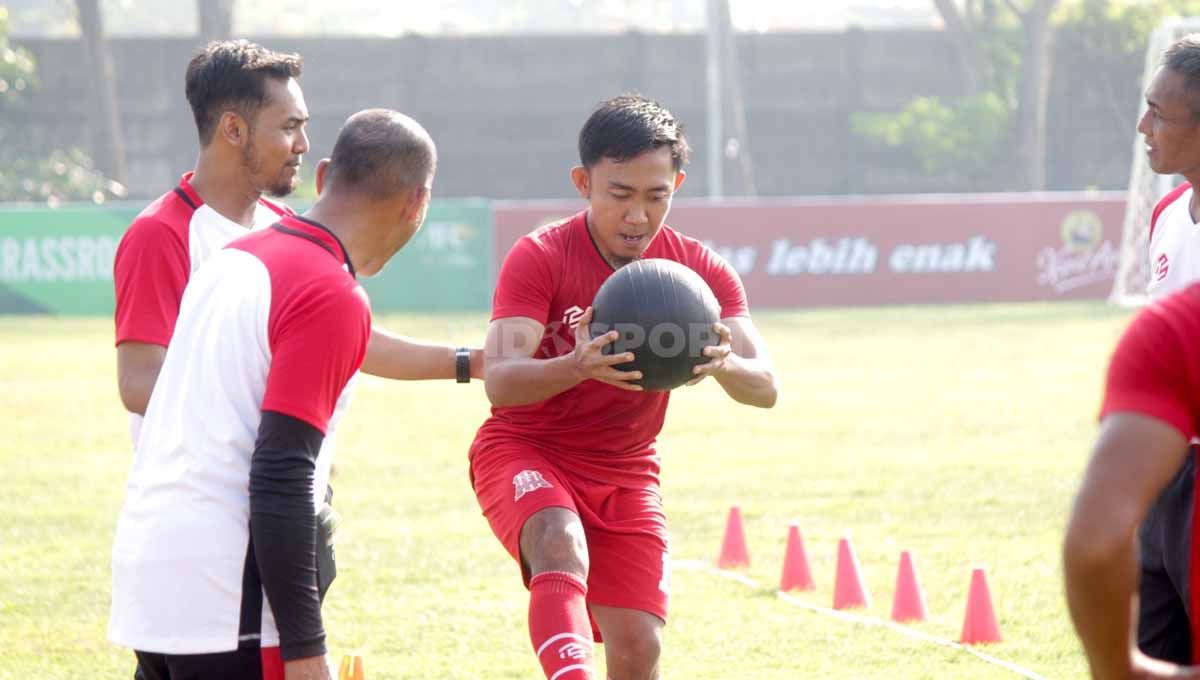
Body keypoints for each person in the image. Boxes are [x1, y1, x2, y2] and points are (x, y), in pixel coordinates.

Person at [109, 108, 437, 680]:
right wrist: (306, 647)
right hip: (230, 594)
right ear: (417, 204)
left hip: (152, 575)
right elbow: (281, 471)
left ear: (325, 173)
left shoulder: (234, 258)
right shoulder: (329, 291)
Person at [469, 95, 778, 680]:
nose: (638, 216)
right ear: (583, 182)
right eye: (620, 195)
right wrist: (575, 366)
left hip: (628, 468)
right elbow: (502, 383)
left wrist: (723, 363)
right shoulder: (539, 256)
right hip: (527, 449)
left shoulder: (698, 274)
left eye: (656, 196)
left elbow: (766, 386)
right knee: (558, 541)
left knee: (638, 645)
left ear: (677, 185)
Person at [114, 39, 480, 445]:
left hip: (277, 490)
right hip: (198, 498)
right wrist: (283, 427)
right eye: (289, 127)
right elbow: (139, 383)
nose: (304, 144)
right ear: (234, 129)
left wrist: (470, 362)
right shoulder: (162, 233)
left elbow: (348, 337)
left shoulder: (284, 226)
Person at [1124, 34, 1200, 667]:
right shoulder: (1169, 214)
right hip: (1162, 474)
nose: (1144, 126)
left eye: (1160, 113)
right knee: (1151, 653)